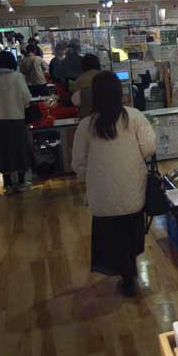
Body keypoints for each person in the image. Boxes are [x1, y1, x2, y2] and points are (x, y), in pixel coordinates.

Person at [71, 71, 156, 296]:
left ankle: (125, 274)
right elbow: (149, 148)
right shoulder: (134, 116)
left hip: (102, 198)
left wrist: (91, 178)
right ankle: (130, 271)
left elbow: (77, 163)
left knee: (112, 235)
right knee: (130, 230)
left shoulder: (86, 125)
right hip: (132, 192)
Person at [0, 51, 35, 195]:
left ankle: (7, 183)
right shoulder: (18, 78)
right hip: (17, 118)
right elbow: (27, 98)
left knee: (3, 151)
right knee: (19, 150)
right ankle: (21, 182)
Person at [70, 53, 103, 118]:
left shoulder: (79, 81)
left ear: (83, 66)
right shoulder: (106, 78)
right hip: (108, 116)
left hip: (87, 118)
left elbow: (75, 102)